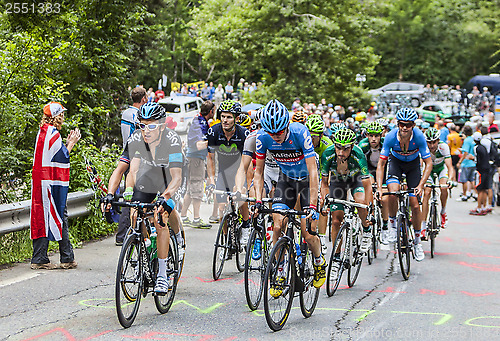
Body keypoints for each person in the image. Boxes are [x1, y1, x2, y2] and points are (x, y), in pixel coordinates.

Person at [104, 102, 184, 294]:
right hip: (148, 176)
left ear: (162, 126)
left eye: (152, 125)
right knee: (135, 213)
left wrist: (165, 197)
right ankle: (146, 244)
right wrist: (109, 194)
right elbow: (124, 170)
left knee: (161, 215)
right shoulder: (135, 139)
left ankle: (165, 272)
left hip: (170, 178)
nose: (146, 130)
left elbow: (177, 178)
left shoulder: (171, 140)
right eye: (142, 125)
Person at [253, 99, 325, 292]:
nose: (275, 137)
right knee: (277, 224)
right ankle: (282, 268)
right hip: (286, 179)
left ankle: (318, 261)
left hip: (306, 181)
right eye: (271, 132)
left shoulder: (300, 132)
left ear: (286, 126)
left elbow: (312, 172)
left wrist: (311, 205)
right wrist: (259, 200)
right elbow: (258, 173)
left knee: (308, 233)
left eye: (279, 132)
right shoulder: (263, 137)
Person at [376, 108, 432, 262]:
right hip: (396, 164)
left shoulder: (419, 137)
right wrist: (380, 188)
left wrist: (421, 185)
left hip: (413, 167)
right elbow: (381, 164)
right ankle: (393, 225)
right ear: (397, 123)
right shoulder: (390, 137)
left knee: (415, 205)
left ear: (413, 125)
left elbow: (428, 163)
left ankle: (417, 242)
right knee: (393, 193)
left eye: (408, 125)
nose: (404, 127)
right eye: (401, 124)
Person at [30, 102, 81, 270]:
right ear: (56, 116)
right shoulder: (53, 134)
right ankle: (66, 257)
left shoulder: (42, 131)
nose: (63, 117)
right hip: (50, 183)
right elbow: (62, 157)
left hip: (41, 182)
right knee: (59, 213)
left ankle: (40, 257)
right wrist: (71, 142)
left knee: (42, 216)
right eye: (62, 114)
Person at [320, 128, 373, 278]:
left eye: (345, 149)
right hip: (337, 183)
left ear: (352, 147)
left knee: (360, 201)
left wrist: (369, 208)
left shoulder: (358, 154)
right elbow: (324, 183)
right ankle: (336, 259)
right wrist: (325, 202)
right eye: (338, 147)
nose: (341, 152)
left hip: (355, 181)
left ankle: (366, 229)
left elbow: (367, 185)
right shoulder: (328, 154)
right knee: (336, 219)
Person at [207, 100, 251, 248]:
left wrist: (242, 186)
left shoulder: (244, 134)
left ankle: (245, 225)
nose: (225, 120)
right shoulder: (214, 131)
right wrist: (211, 181)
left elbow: (246, 164)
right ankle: (225, 239)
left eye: (229, 117)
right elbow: (210, 159)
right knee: (221, 208)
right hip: (223, 172)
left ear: (237, 119)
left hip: (240, 170)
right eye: (223, 116)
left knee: (242, 195)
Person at [116, 86, 148, 246]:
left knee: (129, 194)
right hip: (136, 155)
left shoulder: (125, 113)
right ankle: (126, 233)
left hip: (126, 153)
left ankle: (127, 232)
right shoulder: (138, 115)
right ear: (143, 99)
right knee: (135, 197)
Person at [180, 100, 215, 228]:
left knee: (190, 189)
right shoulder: (199, 123)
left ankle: (183, 216)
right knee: (197, 188)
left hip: (194, 159)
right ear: (211, 111)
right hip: (195, 160)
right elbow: (198, 145)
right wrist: (213, 140)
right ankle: (196, 219)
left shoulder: (200, 121)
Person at [305, 114, 333, 253]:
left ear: (321, 135)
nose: (311, 139)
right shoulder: (302, 142)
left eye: (314, 136)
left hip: (323, 174)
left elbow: (327, 172)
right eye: (308, 135)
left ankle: (321, 236)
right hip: (307, 174)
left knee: (323, 203)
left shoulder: (327, 146)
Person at [358, 121, 390, 244]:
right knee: (369, 188)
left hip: (384, 170)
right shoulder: (363, 145)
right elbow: (362, 166)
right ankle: (371, 214)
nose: (373, 139)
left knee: (385, 198)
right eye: (371, 135)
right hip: (369, 170)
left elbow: (391, 163)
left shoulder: (385, 144)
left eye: (376, 136)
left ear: (381, 135)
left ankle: (385, 226)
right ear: (367, 135)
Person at [421, 128, 454, 235]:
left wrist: (450, 180)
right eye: (429, 142)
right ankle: (423, 225)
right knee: (426, 193)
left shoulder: (443, 147)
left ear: (438, 140)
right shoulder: (423, 148)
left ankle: (443, 212)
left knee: (444, 187)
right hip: (428, 170)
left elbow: (450, 167)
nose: (431, 145)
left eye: (434, 142)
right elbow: (420, 165)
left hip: (441, 169)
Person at [470, 132, 492, 215]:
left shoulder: (476, 148)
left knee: (479, 189)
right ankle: (483, 206)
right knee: (484, 189)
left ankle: (479, 207)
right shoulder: (483, 147)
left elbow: (477, 159)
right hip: (487, 169)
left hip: (480, 170)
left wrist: (472, 159)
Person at [457, 125, 476, 202]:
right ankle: (475, 194)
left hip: (466, 163)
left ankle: (464, 195)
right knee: (472, 180)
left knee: (464, 180)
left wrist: (460, 162)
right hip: (473, 162)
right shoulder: (472, 139)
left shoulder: (467, 141)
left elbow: (465, 152)